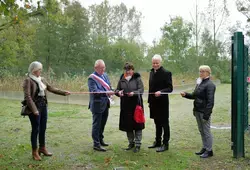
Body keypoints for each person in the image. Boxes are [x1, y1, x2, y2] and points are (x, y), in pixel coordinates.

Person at [23, 61, 70, 161]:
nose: (41, 71)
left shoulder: (42, 79)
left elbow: (51, 88)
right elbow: (27, 97)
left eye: (41, 69)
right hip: (34, 108)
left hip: (43, 106)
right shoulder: (28, 80)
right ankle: (34, 152)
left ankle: (42, 148)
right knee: (35, 129)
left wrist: (63, 93)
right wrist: (34, 110)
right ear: (34, 70)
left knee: (43, 128)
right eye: (39, 69)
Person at [180, 65, 216, 158]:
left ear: (208, 73)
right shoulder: (199, 83)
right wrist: (185, 95)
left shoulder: (210, 85)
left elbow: (210, 102)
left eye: (203, 71)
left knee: (206, 131)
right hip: (197, 110)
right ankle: (205, 147)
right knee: (201, 130)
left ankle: (209, 150)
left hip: (204, 112)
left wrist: (206, 115)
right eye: (200, 71)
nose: (200, 73)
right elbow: (194, 95)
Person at [115, 62, 144, 153]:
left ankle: (138, 144)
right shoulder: (121, 79)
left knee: (137, 125)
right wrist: (118, 93)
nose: (128, 72)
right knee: (128, 126)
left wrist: (134, 93)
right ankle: (131, 143)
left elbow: (141, 90)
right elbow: (117, 90)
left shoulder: (137, 78)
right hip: (125, 106)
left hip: (136, 105)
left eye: (130, 70)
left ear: (133, 70)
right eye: (126, 70)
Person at [148, 54, 173, 152]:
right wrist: (149, 101)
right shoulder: (151, 73)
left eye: (157, 63)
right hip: (153, 103)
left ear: (160, 62)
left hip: (162, 103)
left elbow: (170, 88)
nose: (155, 65)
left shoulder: (166, 73)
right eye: (153, 63)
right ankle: (157, 141)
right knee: (156, 123)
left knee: (164, 123)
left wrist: (161, 92)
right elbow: (151, 88)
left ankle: (165, 144)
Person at [88, 59, 114, 152]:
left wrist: (113, 90)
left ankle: (101, 139)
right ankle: (96, 144)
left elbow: (109, 86)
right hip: (97, 105)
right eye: (101, 68)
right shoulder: (92, 78)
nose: (103, 70)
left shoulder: (105, 75)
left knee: (103, 123)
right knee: (96, 125)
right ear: (95, 68)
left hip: (105, 103)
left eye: (104, 67)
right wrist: (107, 92)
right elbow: (95, 92)